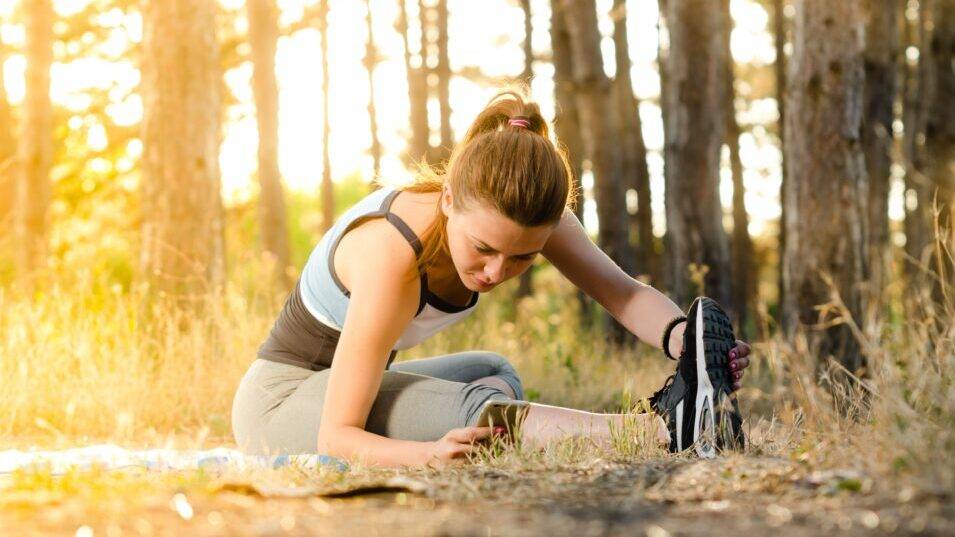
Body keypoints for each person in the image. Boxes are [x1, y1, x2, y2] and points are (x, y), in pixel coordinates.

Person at [231, 90, 752, 467]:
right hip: (280, 406)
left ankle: (687, 415)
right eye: (483, 249)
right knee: (479, 413)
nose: (497, 272)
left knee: (493, 370)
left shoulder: (526, 214)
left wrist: (687, 343)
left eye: (522, 258)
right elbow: (336, 435)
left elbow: (624, 294)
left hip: (347, 387)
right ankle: (660, 432)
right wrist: (425, 454)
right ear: (449, 199)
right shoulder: (392, 256)